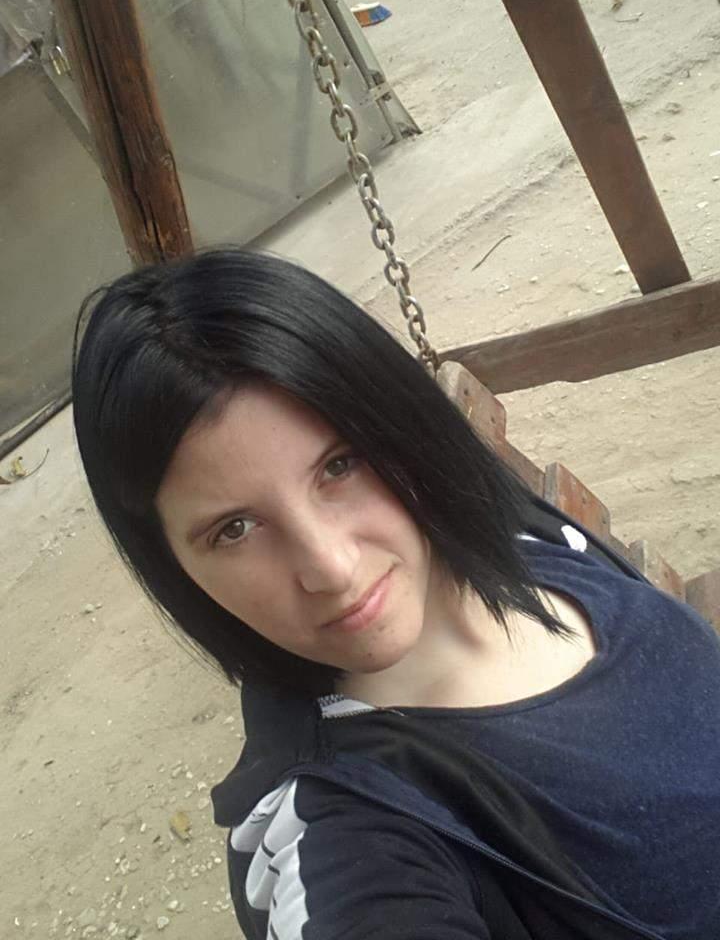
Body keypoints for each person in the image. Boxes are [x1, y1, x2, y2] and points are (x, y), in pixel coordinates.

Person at [72, 247, 720, 940]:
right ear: (175, 567)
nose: (332, 567)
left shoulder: (503, 531)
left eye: (339, 466)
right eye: (234, 529)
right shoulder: (343, 833)